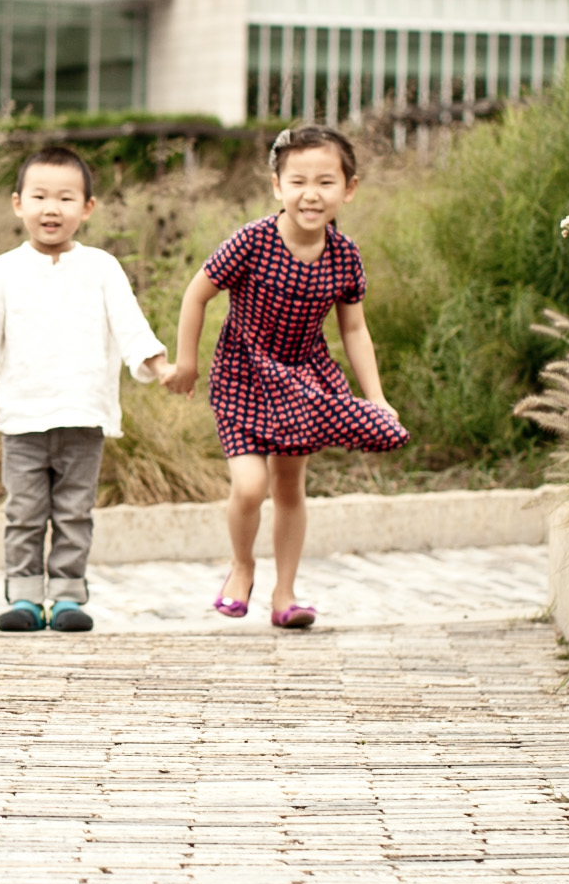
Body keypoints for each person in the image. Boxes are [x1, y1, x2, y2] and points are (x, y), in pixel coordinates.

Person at [170, 123, 404, 630]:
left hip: (302, 376)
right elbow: (196, 294)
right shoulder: (252, 241)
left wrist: (376, 398)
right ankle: (242, 566)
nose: (311, 194)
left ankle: (285, 593)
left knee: (290, 487)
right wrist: (187, 362)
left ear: (349, 188)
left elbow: (355, 329)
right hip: (241, 373)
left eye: (325, 181)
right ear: (277, 186)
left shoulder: (344, 255)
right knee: (251, 487)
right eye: (297, 181)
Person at [0, 142, 171, 632]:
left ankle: (69, 595)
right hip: (22, 420)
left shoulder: (102, 268)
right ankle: (26, 596)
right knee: (25, 514)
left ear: (87, 208)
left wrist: (158, 365)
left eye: (65, 198)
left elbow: (130, 326)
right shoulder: (3, 270)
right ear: (18, 203)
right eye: (39, 197)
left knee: (75, 513)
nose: (51, 208)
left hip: (84, 416)